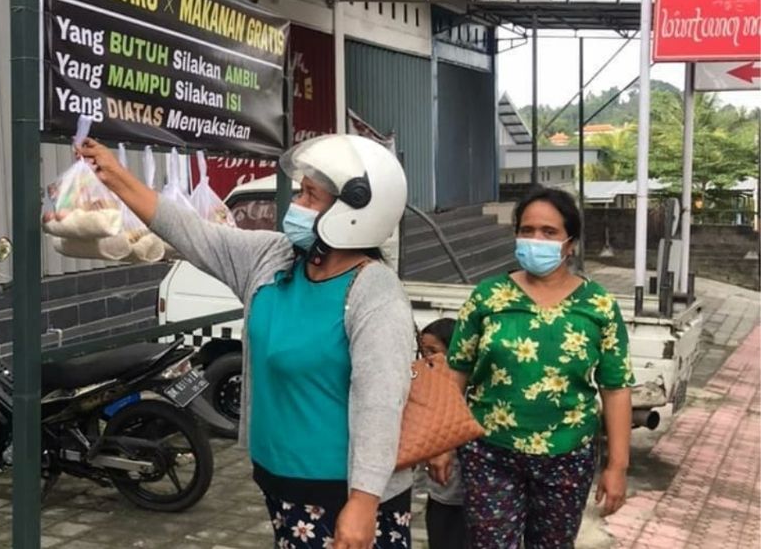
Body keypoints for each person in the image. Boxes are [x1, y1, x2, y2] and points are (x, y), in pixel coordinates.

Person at [77, 134, 417, 549]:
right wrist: (113, 175)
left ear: (353, 213)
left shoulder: (374, 292)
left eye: (310, 196)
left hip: (343, 492)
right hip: (281, 479)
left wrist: (364, 503)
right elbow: (191, 232)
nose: (296, 206)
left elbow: (380, 406)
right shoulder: (273, 258)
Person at [432, 187, 634, 548]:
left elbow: (616, 387)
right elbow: (456, 371)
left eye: (549, 232)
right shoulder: (488, 296)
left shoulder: (598, 305)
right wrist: (442, 443)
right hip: (490, 453)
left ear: (570, 243)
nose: (535, 239)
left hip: (568, 457)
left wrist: (617, 466)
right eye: (527, 230)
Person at [416, 318, 468, 549]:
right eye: (423, 351)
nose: (427, 357)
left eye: (434, 351)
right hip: (439, 490)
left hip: (468, 491)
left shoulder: (469, 390)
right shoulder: (426, 385)